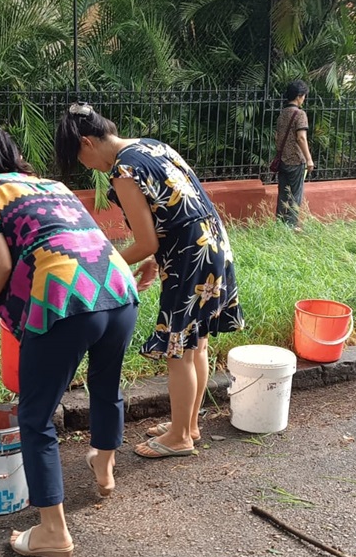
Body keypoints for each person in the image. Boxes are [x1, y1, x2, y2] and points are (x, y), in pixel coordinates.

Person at [0, 127, 140, 557]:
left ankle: (53, 533)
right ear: (17, 157)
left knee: (35, 416)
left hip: (64, 296)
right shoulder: (52, 185)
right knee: (105, 384)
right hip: (117, 287)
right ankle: (104, 466)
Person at [54, 102, 244, 459]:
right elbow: (175, 210)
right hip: (212, 245)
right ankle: (188, 425)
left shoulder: (124, 171)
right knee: (195, 343)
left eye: (78, 157)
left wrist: (102, 265)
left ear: (87, 143)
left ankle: (179, 438)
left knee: (178, 351)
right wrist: (155, 262)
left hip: (188, 257)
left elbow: (146, 241)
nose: (83, 166)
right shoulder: (151, 145)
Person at [273, 80, 315, 229]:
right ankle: (291, 227)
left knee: (283, 195)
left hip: (282, 160)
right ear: (299, 96)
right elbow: (301, 137)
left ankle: (280, 225)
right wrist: (309, 159)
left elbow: (277, 136)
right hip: (296, 161)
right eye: (303, 96)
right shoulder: (300, 114)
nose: (304, 99)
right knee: (295, 196)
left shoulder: (282, 113)